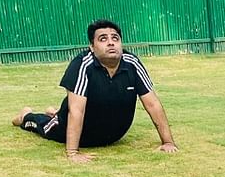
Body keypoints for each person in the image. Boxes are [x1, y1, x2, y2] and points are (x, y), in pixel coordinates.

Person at [12, 19, 178, 163]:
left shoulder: (132, 63)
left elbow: (153, 104)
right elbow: (76, 110)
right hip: (78, 132)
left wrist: (168, 142)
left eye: (115, 38)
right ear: (92, 46)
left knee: (68, 111)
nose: (111, 42)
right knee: (44, 126)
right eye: (103, 39)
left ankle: (53, 112)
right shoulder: (83, 64)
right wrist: (72, 153)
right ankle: (26, 115)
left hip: (113, 136)